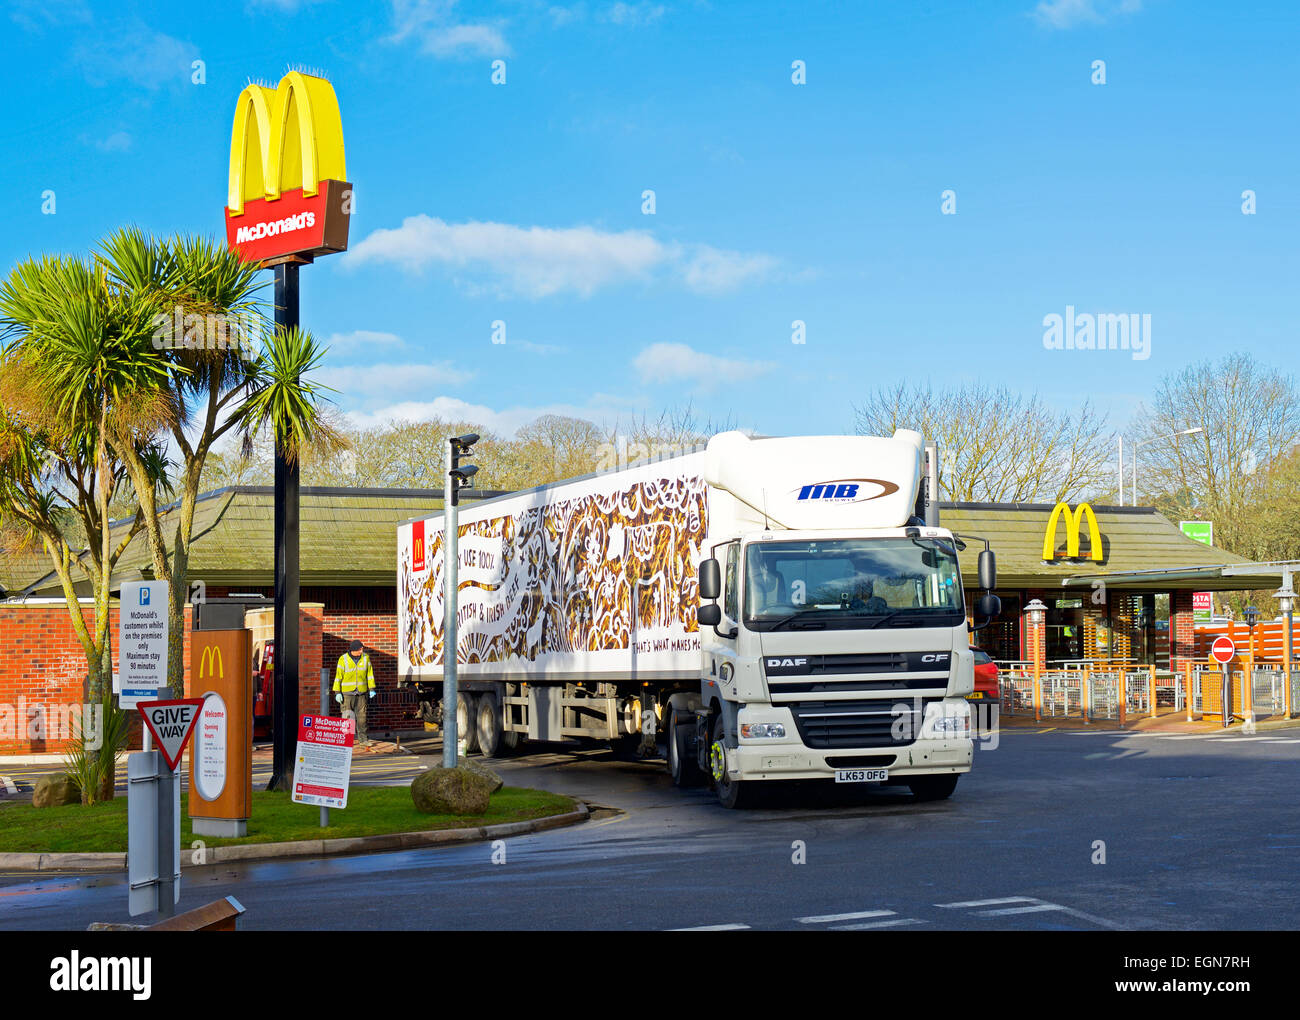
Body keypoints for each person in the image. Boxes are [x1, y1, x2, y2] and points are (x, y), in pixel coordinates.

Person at [334, 639, 377, 750]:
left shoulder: (366, 658)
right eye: (359, 649)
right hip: (347, 694)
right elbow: (338, 676)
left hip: (361, 693)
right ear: (353, 650)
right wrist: (337, 692)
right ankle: (347, 741)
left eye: (362, 649)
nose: (362, 651)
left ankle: (363, 740)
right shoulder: (343, 659)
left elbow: (370, 674)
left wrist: (371, 688)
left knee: (362, 718)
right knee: (347, 718)